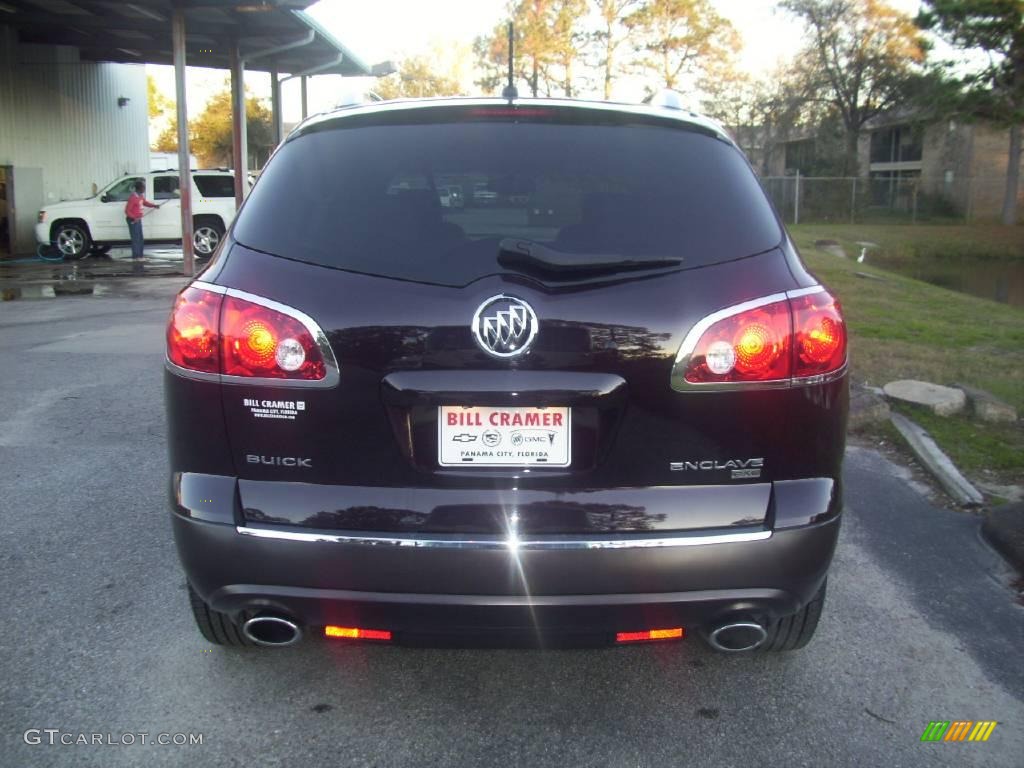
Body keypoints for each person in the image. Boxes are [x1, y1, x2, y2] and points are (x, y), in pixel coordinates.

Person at [124, 181, 160, 260]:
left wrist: (154, 206)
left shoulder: (140, 196)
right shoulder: (133, 197)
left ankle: (140, 256)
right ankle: (136, 257)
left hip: (138, 219)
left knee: (140, 238)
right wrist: (134, 217)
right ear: (139, 188)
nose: (144, 189)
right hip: (133, 220)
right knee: (136, 239)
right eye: (143, 187)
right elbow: (127, 211)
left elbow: (145, 203)